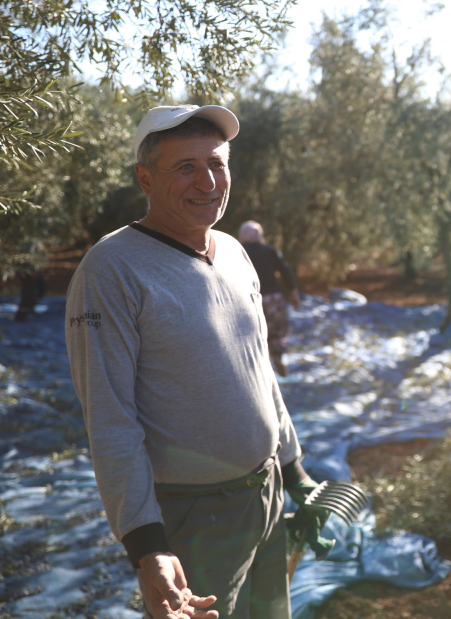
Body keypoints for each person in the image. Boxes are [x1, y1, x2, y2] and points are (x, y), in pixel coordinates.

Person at [66, 105, 327, 619]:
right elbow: (110, 418)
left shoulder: (233, 250)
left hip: (267, 494)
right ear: (145, 178)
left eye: (217, 162)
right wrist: (148, 545)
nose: (207, 181)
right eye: (185, 166)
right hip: (194, 518)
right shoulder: (111, 270)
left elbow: (258, 369)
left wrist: (294, 471)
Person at [238, 221, 300, 377]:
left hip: (249, 297)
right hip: (273, 297)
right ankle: (278, 357)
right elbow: (286, 270)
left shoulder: (239, 252)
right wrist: (293, 292)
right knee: (277, 330)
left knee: (254, 332)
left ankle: (260, 365)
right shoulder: (269, 250)